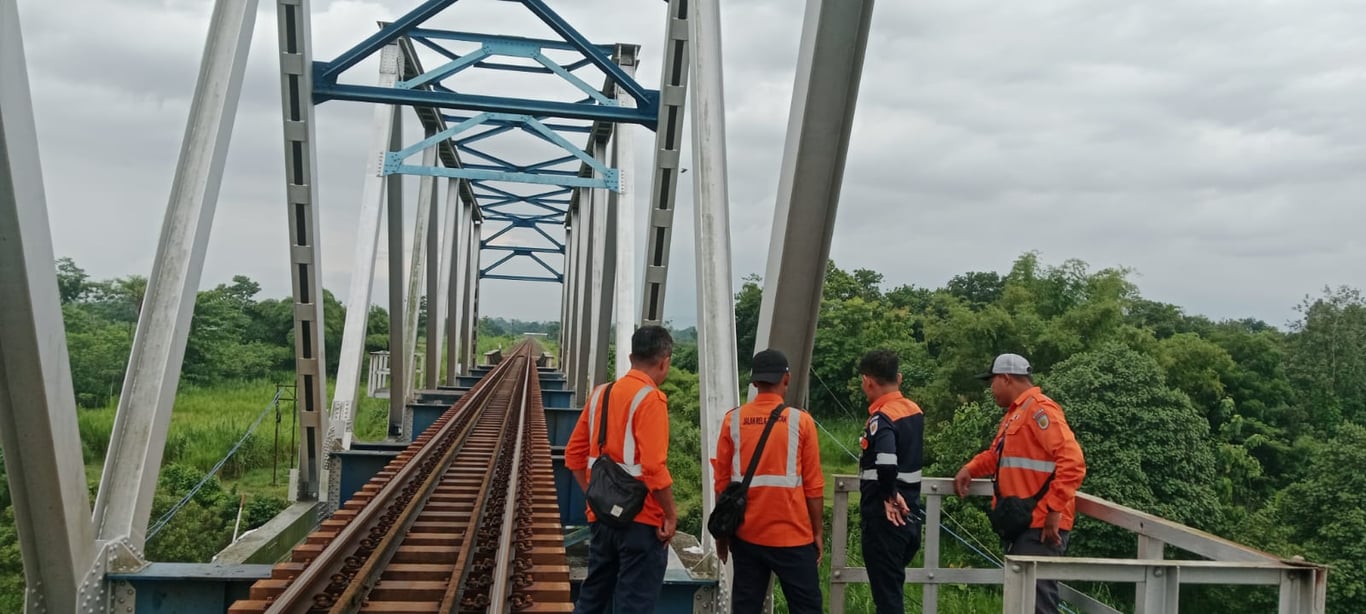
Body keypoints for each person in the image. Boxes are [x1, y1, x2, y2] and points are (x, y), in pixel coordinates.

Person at [954, 353, 1086, 614]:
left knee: (1038, 605)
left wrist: (1054, 510)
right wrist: (970, 469)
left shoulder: (1040, 410)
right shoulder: (1016, 414)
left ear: (1006, 378)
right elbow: (997, 456)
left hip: (1041, 526)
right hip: (1023, 523)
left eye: (992, 381)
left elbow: (1073, 462)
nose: (990, 389)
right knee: (1021, 603)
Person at [565, 326, 678, 614]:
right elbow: (653, 468)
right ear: (664, 360)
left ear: (630, 356)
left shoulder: (602, 393)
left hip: (602, 517)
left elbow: (573, 455)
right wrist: (670, 514)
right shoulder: (651, 399)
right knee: (634, 603)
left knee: (593, 597)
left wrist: (594, 495)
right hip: (641, 521)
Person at [712, 349, 825, 614]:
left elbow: (722, 483)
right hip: (794, 537)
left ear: (754, 382)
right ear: (786, 378)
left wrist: (723, 534)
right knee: (807, 607)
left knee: (746, 607)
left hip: (746, 535)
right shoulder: (802, 422)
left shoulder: (733, 420)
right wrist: (817, 532)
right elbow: (814, 487)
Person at [857, 349, 925, 614]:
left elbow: (886, 460)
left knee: (887, 599)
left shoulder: (882, 417)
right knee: (892, 588)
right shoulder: (913, 411)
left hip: (885, 520)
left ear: (868, 381)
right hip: (911, 515)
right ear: (899, 377)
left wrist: (888, 496)